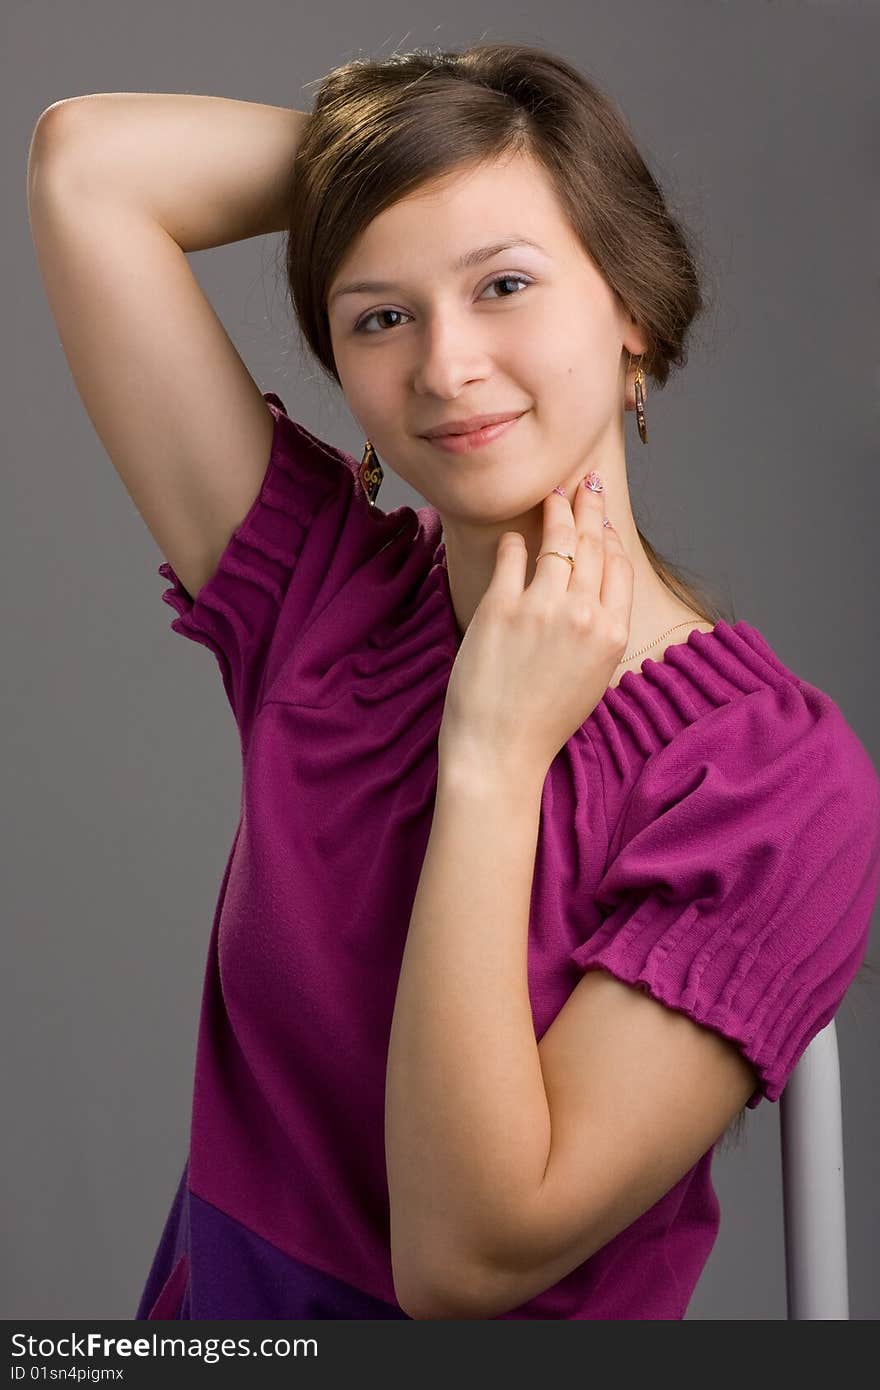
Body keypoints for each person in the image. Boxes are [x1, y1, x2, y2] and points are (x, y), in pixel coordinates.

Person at [28, 44, 880, 1322]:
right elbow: (89, 168)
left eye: (504, 283)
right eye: (381, 314)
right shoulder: (325, 601)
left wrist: (492, 756)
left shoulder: (768, 783)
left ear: (630, 306)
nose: (444, 366)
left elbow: (464, 1263)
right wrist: (414, 155)